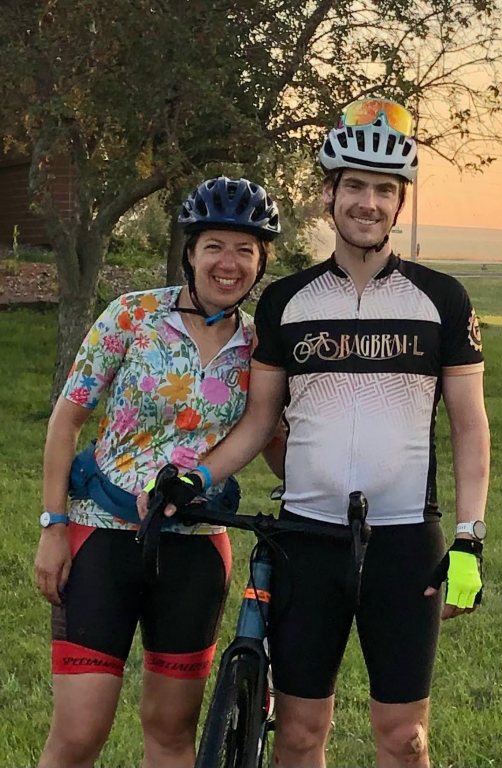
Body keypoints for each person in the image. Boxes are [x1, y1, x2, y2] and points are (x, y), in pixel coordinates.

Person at [140, 98, 490, 768]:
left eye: (384, 190)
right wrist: (200, 475)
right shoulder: (287, 301)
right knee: (298, 736)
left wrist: (471, 538)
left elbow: (471, 426)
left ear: (400, 201)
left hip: (404, 543)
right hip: (306, 539)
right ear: (329, 193)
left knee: (405, 738)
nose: (368, 203)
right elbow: (260, 421)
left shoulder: (441, 299)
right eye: (354, 186)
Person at [33, 176, 281, 768]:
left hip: (196, 548)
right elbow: (65, 423)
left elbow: (270, 436)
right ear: (190, 251)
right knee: (79, 733)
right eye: (215, 246)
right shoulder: (132, 317)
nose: (229, 263)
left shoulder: (258, 345)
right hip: (103, 538)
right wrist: (52, 526)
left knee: (171, 733)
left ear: (261, 261)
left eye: (245, 250)